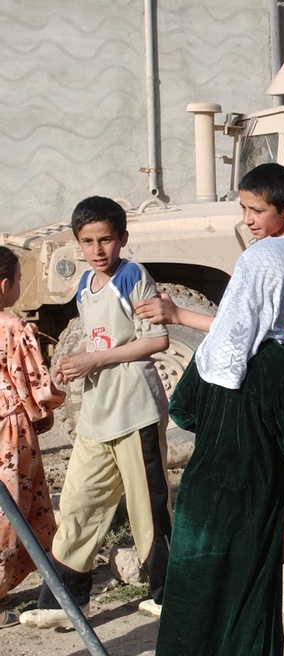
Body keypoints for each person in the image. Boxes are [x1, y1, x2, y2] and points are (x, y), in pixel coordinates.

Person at [136, 164, 284, 563]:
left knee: (270, 473)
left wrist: (178, 315)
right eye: (243, 208)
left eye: (256, 210)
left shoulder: (277, 259)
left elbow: (242, 331)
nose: (247, 220)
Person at [155, 237, 284, 656]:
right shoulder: (283, 367)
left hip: (198, 494)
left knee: (194, 599)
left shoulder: (213, 348)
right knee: (247, 601)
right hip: (252, 497)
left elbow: (183, 411)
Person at [20, 196, 171, 628]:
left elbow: (156, 340)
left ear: (122, 238)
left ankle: (169, 595)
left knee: (148, 509)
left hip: (135, 410)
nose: (97, 249)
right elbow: (98, 338)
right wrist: (75, 360)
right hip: (96, 412)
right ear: (78, 243)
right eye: (88, 241)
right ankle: (64, 604)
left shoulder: (133, 277)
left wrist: (96, 360)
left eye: (105, 239)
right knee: (79, 503)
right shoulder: (85, 283)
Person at [0, 247, 65, 629]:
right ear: (6, 285)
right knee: (13, 508)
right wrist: (52, 405)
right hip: (9, 429)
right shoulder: (14, 329)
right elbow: (37, 387)